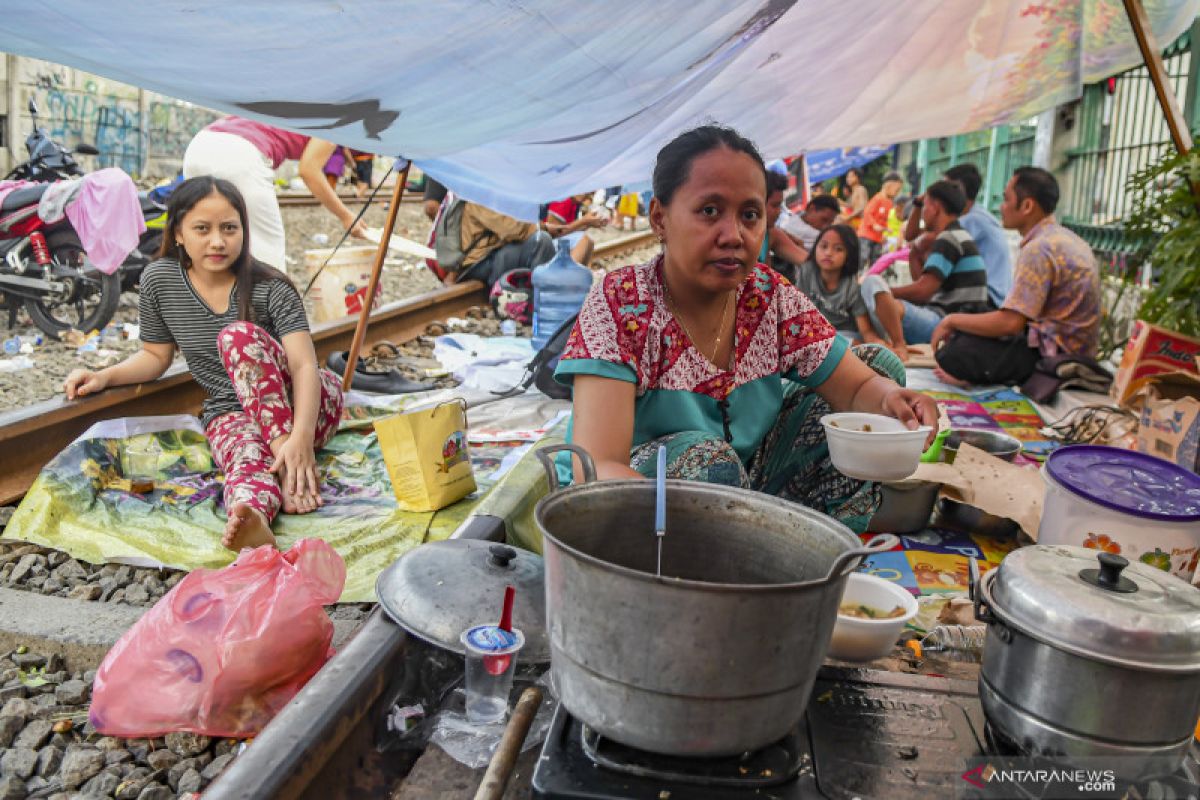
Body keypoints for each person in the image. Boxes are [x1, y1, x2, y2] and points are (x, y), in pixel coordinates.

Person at [553, 125, 937, 534]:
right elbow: (598, 466)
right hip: (625, 503)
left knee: (880, 368)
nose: (733, 236)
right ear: (660, 218)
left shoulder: (769, 298)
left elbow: (859, 388)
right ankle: (737, 553)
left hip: (738, 487)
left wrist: (897, 402)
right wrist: (721, 512)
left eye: (750, 215)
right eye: (710, 211)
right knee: (708, 463)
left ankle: (799, 547)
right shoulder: (623, 302)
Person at [63, 177, 343, 551]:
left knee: (236, 337)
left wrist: (301, 438)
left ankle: (288, 459)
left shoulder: (271, 285)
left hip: (307, 402)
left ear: (243, 230)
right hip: (233, 411)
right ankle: (253, 515)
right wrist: (103, 376)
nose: (217, 241)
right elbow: (155, 357)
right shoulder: (159, 280)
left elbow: (305, 366)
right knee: (243, 457)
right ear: (178, 233)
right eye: (202, 229)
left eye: (229, 228)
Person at [930, 167, 1100, 386]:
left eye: (1007, 199)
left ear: (1027, 206)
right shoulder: (1066, 238)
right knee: (970, 322)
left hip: (1053, 356)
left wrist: (951, 321)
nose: (1002, 207)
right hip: (1070, 348)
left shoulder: (1039, 249)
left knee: (954, 352)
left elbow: (1011, 323)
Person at [183, 116, 368, 270]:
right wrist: (345, 216)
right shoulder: (340, 119)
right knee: (267, 257)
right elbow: (309, 170)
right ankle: (268, 313)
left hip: (200, 145)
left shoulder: (304, 101)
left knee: (209, 247)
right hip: (240, 153)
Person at [860, 180, 989, 354]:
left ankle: (897, 345)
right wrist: (914, 253)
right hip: (944, 319)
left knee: (876, 288)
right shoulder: (954, 235)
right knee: (884, 303)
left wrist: (884, 292)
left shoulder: (949, 239)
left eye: (925, 206)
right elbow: (911, 237)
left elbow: (923, 291)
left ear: (935, 207)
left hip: (947, 323)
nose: (922, 213)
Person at [792, 225, 886, 346]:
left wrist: (877, 344)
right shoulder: (807, 272)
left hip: (844, 336)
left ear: (849, 255)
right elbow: (798, 314)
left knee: (851, 343)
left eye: (838, 249)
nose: (828, 253)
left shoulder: (852, 287)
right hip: (812, 333)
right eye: (823, 246)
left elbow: (866, 331)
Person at [942, 163, 1013, 307]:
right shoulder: (976, 214)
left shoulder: (973, 220)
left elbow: (931, 243)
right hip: (986, 294)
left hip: (988, 298)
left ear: (959, 191)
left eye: (945, 190)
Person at [448, 202, 556, 287]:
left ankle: (532, 296)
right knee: (541, 241)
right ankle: (540, 303)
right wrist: (542, 228)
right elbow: (513, 230)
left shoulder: (481, 193)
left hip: (490, 256)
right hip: (479, 264)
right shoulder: (478, 198)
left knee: (544, 242)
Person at [761, 171, 811, 279]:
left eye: (780, 205)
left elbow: (808, 262)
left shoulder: (771, 234)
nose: (779, 211)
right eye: (775, 205)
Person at [543, 194, 607, 266]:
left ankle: (578, 273)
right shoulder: (563, 201)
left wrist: (589, 224)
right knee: (584, 240)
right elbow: (553, 233)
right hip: (545, 244)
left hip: (553, 241)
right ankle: (570, 274)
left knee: (589, 241)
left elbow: (571, 229)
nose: (588, 195)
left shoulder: (574, 203)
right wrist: (583, 221)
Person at [859, 172, 904, 270]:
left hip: (878, 238)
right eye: (897, 190)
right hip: (866, 235)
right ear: (889, 185)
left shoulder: (889, 203)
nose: (897, 193)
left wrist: (885, 232)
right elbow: (867, 213)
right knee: (863, 258)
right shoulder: (877, 198)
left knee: (875, 261)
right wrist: (874, 225)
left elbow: (885, 220)